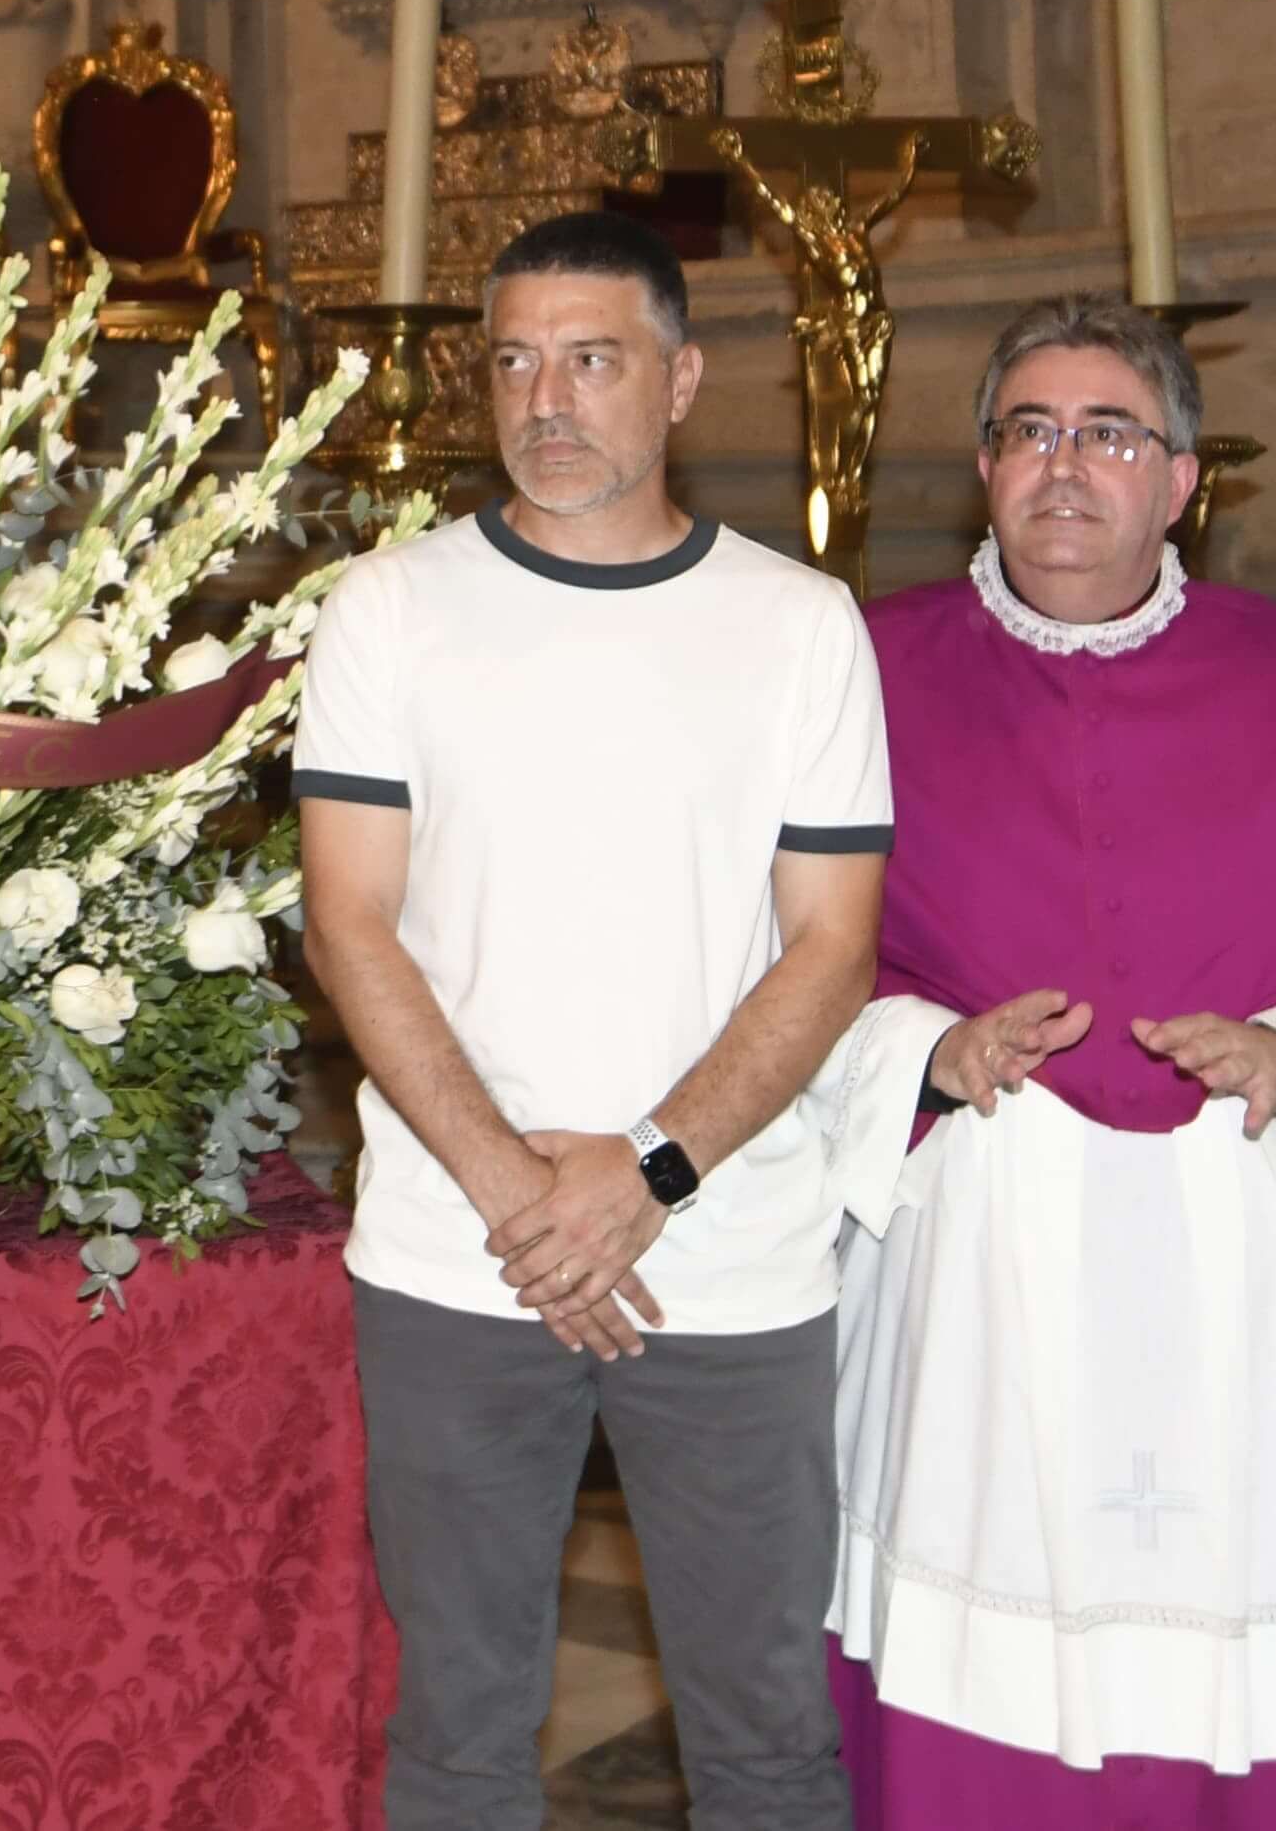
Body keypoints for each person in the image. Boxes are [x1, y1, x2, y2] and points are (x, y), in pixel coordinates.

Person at [819, 296, 1276, 1827]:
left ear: (1183, 479)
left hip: (1257, 1274)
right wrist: (929, 1052)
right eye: (1030, 430)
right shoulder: (865, 674)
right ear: (983, 465)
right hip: (984, 1263)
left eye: (1110, 432)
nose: (1067, 465)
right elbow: (774, 966)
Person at [294, 207, 890, 1831]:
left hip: (731, 1244)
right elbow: (349, 923)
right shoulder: (390, 611)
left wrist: (644, 1177)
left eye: (593, 358)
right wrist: (514, 1191)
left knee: (767, 1730)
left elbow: (833, 950)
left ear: (684, 378)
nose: (547, 398)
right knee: (464, 1729)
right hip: (453, 1251)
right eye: (514, 361)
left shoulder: (797, 629)